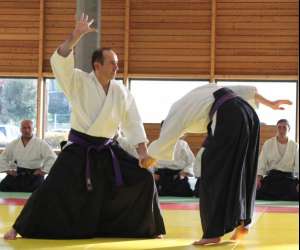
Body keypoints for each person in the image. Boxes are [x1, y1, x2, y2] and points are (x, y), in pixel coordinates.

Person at [4, 13, 165, 240]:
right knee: (52, 185)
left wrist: (142, 153)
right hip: (80, 148)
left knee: (144, 178)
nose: (117, 68)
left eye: (118, 64)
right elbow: (59, 62)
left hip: (108, 149)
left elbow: (133, 122)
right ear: (97, 65)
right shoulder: (78, 81)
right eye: (112, 63)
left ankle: (148, 228)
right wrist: (75, 36)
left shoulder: (121, 92)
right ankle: (19, 227)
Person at [147, 84, 292, 245]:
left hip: (229, 115)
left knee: (210, 170)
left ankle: (213, 232)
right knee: (243, 168)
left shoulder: (174, 115)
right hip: (249, 114)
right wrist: (271, 104)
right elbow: (249, 91)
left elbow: (162, 144)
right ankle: (244, 220)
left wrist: (146, 160)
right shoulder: (201, 93)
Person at [0, 120, 56, 192]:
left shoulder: (40, 143)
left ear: (33, 129)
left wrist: (43, 171)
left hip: (35, 175)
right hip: (17, 174)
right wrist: (7, 170)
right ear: (20, 129)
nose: (26, 130)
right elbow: (3, 157)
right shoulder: (14, 143)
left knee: (41, 191)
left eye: (29, 128)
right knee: (3, 187)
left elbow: (52, 158)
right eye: (24, 128)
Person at [256, 119, 299, 201]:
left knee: (296, 192)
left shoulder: (295, 146)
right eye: (279, 127)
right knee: (256, 192)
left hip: (288, 179)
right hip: (272, 178)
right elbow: (262, 162)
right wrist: (258, 178)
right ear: (276, 129)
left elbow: (298, 164)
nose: (282, 130)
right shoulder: (268, 143)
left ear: (289, 129)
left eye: (284, 128)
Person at [154, 121, 195, 197]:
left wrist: (184, 172)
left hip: (177, 176)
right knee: (156, 195)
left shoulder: (182, 144)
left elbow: (192, 162)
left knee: (184, 194)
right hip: (160, 176)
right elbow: (148, 163)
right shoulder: (155, 144)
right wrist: (152, 174)